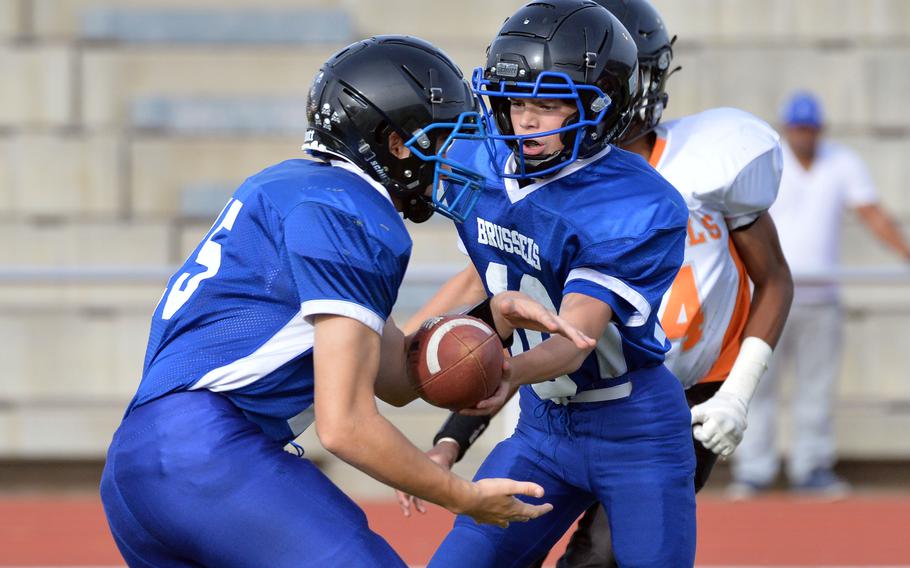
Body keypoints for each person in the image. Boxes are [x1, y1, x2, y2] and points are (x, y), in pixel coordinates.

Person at [98, 35, 599, 568]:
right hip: (208, 456)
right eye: (441, 139)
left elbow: (398, 379)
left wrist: (488, 318)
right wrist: (462, 495)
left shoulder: (289, 187)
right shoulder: (353, 214)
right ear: (395, 143)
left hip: (136, 466)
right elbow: (345, 426)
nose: (450, 161)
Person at [400, 1, 795, 565]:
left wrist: (505, 371)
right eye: (516, 102)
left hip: (634, 431)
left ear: (596, 106)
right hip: (541, 429)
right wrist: (436, 413)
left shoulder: (635, 200)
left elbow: (577, 334)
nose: (527, 119)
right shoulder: (480, 161)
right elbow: (492, 286)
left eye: (548, 103)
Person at [731, 91, 910, 496]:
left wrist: (905, 252)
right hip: (769, 296)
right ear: (787, 129)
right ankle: (754, 469)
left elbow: (871, 212)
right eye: (797, 128)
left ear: (820, 129)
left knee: (816, 387)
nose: (804, 135)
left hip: (820, 296)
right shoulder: (770, 162)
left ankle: (811, 466)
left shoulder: (841, 163)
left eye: (810, 128)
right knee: (757, 384)